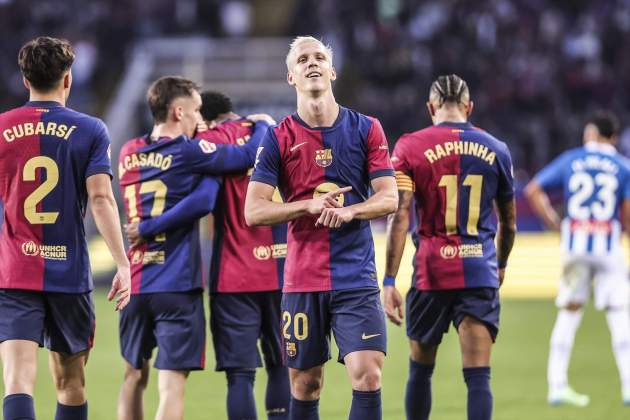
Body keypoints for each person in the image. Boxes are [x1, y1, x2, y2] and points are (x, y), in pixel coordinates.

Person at [245, 36, 398, 420]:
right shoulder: (278, 137)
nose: (311, 63)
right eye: (302, 59)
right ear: (291, 76)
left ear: (331, 71)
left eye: (319, 57)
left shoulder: (367, 129)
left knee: (368, 376)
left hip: (356, 277)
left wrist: (352, 212)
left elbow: (389, 197)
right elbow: (254, 210)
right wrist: (307, 205)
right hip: (302, 279)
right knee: (305, 384)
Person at [116, 76, 267, 420]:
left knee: (133, 377)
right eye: (196, 110)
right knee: (171, 386)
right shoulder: (189, 151)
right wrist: (260, 125)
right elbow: (245, 155)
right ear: (178, 110)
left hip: (136, 282)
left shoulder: (128, 151)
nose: (200, 118)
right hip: (176, 283)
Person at [0, 36, 130, 420]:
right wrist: (123, 263)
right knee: (70, 385)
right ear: (68, 79)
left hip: (15, 272)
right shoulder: (91, 130)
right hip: (69, 276)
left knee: (17, 380)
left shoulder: (2, 128)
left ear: (25, 81)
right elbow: (102, 199)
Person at [383, 74, 516, 420]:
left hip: (431, 272)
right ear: (469, 107)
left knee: (420, 370)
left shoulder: (409, 147)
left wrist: (388, 280)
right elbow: (509, 223)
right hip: (480, 270)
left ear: (431, 107)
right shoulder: (498, 149)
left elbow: (400, 215)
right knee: (478, 376)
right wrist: (499, 265)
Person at [525, 111, 630, 407]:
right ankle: (628, 387)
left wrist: (556, 225)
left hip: (575, 243)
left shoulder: (573, 158)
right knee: (619, 313)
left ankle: (557, 385)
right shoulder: (622, 166)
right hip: (608, 245)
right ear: (613, 137)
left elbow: (533, 190)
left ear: (591, 134)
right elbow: (627, 211)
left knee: (569, 313)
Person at [198, 91, 290, 420]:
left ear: (204, 116)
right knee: (282, 366)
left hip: (234, 274)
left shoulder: (205, 140)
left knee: (240, 376)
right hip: (284, 272)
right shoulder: (278, 133)